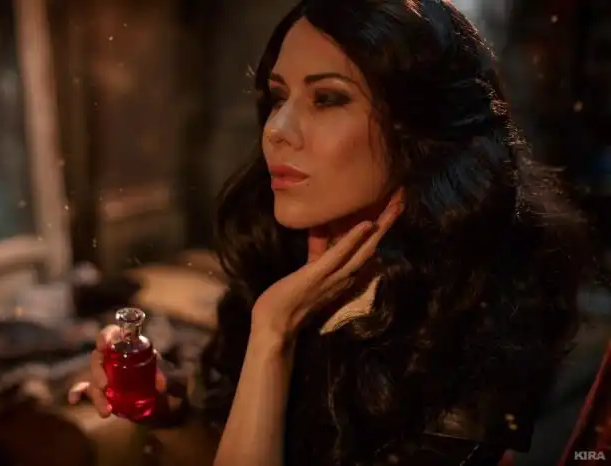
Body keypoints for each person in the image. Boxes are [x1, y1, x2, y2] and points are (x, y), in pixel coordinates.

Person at [71, 1, 601, 464]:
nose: (275, 130)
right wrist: (167, 414)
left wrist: (272, 335)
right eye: (277, 97)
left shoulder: (476, 313)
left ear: (417, 126)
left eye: (327, 98)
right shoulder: (285, 258)